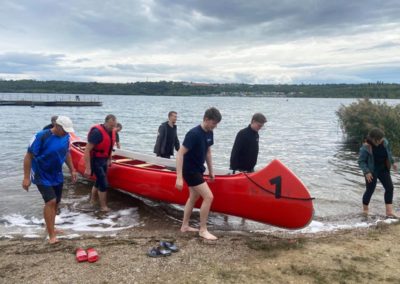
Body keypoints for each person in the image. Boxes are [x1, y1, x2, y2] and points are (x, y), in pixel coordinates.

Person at [22, 116, 77, 244]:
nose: (67, 132)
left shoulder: (66, 137)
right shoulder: (41, 136)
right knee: (50, 201)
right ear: (57, 126)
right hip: (41, 173)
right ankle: (52, 236)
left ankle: (50, 227)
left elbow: (66, 153)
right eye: (65, 129)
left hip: (56, 174)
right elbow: (28, 156)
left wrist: (72, 169)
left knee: (56, 202)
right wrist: (26, 177)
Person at [175, 107, 222, 240]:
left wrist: (211, 171)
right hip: (190, 170)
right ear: (206, 119)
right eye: (214, 123)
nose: (215, 126)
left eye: (217, 124)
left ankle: (184, 226)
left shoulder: (209, 132)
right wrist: (179, 177)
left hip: (198, 169)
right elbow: (180, 154)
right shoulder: (193, 134)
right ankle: (203, 229)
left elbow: (207, 152)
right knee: (209, 197)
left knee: (193, 197)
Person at [358, 128, 398, 218]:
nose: (381, 141)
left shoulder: (384, 142)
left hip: (383, 169)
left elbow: (389, 153)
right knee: (370, 190)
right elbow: (361, 161)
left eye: (382, 139)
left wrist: (392, 162)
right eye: (379, 140)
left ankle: (389, 212)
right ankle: (365, 210)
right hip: (371, 171)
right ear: (373, 139)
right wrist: (367, 172)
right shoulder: (366, 147)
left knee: (390, 188)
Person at [84, 114, 117, 212]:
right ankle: (103, 207)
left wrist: (109, 159)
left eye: (114, 126)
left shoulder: (111, 132)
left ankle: (92, 200)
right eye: (111, 126)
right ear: (106, 123)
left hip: (104, 159)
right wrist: (88, 168)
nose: (113, 128)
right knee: (103, 183)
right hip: (95, 160)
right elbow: (87, 150)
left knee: (99, 181)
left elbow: (110, 146)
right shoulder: (97, 132)